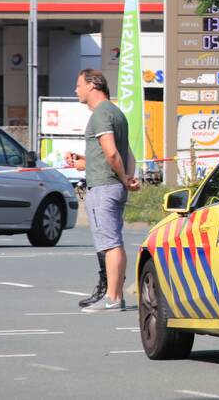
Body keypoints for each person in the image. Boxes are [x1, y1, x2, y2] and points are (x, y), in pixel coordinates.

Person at [65, 68, 139, 313]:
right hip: (112, 184)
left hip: (105, 187)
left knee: (110, 244)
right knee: (114, 241)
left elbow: (112, 153)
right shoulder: (117, 113)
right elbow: (126, 153)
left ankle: (113, 298)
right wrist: (127, 177)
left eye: (79, 85)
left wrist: (123, 177)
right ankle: (115, 295)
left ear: (92, 85)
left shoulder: (100, 114)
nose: (76, 90)